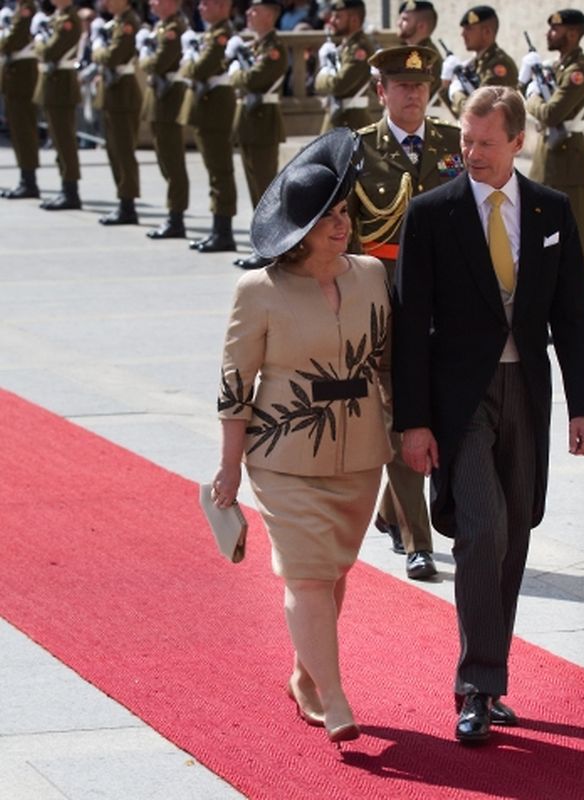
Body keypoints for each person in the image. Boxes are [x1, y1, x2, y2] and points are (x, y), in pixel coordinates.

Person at [393, 86, 584, 745]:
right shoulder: (432, 214)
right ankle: (477, 685)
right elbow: (408, 324)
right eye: (466, 142)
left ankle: (491, 674)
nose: (473, 153)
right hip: (461, 401)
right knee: (481, 530)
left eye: (486, 143)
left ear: (518, 142)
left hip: (527, 393)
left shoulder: (550, 210)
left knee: (512, 535)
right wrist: (413, 421)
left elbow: (572, 313)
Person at [212, 128, 391, 744]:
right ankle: (336, 696)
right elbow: (236, 382)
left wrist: (407, 442)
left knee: (334, 570)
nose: (341, 225)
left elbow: (389, 367)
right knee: (309, 576)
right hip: (282, 455)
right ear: (299, 228)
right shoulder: (257, 290)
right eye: (327, 218)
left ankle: (305, 675)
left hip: (362, 452)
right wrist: (229, 468)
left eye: (343, 213)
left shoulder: (371, 276)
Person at [351, 44, 463, 580]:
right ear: (381, 91)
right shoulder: (359, 149)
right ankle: (419, 541)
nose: (413, 93)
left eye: (420, 86)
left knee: (441, 407)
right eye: (401, 85)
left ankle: (391, 509)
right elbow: (347, 234)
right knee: (402, 418)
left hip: (446, 301)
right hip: (388, 300)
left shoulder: (451, 144)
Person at [522, 9, 584, 275]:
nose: (548, 34)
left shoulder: (578, 70)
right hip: (547, 159)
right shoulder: (557, 67)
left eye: (555, 30)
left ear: (572, 34)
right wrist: (526, 81)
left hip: (568, 163)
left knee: (572, 239)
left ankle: (577, 302)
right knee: (543, 237)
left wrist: (531, 95)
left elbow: (552, 113)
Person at [229, 0, 289, 270]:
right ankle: (261, 245)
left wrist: (237, 73)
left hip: (263, 123)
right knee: (255, 188)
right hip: (249, 122)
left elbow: (254, 80)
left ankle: (270, 247)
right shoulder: (256, 46)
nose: (249, 14)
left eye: (255, 10)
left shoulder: (274, 48)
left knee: (265, 190)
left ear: (270, 15)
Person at [180, 0, 238, 253]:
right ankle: (218, 228)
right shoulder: (212, 35)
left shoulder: (221, 36)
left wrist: (189, 62)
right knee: (214, 171)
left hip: (215, 110)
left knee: (220, 171)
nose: (201, 7)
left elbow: (199, 69)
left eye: (207, 3)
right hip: (207, 109)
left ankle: (223, 230)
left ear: (223, 6)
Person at [138, 0, 191, 239]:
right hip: (159, 99)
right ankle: (173, 214)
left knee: (172, 159)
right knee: (164, 158)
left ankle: (176, 216)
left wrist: (145, 55)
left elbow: (157, 64)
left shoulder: (174, 29)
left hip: (169, 99)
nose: (151, 3)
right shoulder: (161, 27)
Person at [92, 0, 143, 225]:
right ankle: (123, 201)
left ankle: (128, 204)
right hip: (111, 94)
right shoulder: (114, 23)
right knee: (114, 151)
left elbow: (113, 56)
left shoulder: (128, 23)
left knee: (123, 151)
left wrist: (97, 49)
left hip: (123, 95)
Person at [33, 0, 84, 211]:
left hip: (61, 85)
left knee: (64, 141)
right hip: (52, 84)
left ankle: (70, 191)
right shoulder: (56, 17)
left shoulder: (69, 19)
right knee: (58, 140)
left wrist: (38, 40)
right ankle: (65, 188)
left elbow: (49, 51)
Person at [314, 0, 379, 133]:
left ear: (354, 20)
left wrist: (321, 76)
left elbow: (339, 84)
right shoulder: (346, 46)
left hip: (352, 120)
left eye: (338, 17)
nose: (332, 21)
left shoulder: (359, 48)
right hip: (339, 116)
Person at [440, 5, 516, 119]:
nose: (463, 34)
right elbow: (459, 113)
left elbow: (479, 112)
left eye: (469, 29)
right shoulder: (474, 64)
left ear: (487, 32)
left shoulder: (498, 64)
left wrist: (456, 93)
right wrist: (446, 84)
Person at [0, 0, 41, 199]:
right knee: (18, 129)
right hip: (14, 77)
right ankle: (26, 178)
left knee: (23, 129)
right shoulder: (17, 9)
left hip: (22, 77)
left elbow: (11, 41)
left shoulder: (26, 8)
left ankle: (29, 181)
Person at [396, 0, 445, 116]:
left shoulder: (428, 56)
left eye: (405, 20)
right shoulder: (410, 52)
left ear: (421, 26)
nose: (398, 23)